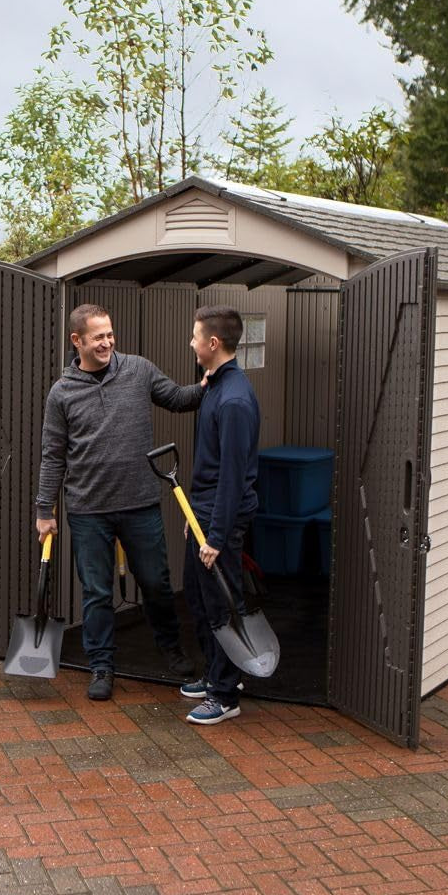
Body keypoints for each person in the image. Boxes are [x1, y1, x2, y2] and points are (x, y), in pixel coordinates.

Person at [36, 304, 203, 701]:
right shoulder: (62, 393)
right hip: (88, 509)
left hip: (140, 503)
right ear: (77, 341)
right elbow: (52, 455)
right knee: (96, 591)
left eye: (110, 334)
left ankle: (171, 649)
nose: (107, 342)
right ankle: (101, 666)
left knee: (157, 584)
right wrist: (45, 511)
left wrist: (214, 378)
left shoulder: (139, 370)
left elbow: (179, 398)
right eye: (98, 337)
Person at [180, 305, 260, 724]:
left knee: (222, 606)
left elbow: (231, 477)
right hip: (204, 512)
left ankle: (226, 695)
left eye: (195, 336)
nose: (191, 342)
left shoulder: (234, 400)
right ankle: (217, 673)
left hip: (219, 520)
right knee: (198, 596)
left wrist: (215, 536)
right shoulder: (216, 386)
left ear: (213, 343)